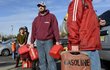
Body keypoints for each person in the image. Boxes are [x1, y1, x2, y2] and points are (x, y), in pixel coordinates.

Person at [67, 0, 106, 70]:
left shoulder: (89, 3)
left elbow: (87, 23)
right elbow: (73, 23)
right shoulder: (78, 1)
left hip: (93, 46)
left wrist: (98, 22)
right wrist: (74, 44)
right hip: (83, 48)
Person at [31, 2, 60, 70]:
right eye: (39, 6)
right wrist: (32, 42)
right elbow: (33, 31)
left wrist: (57, 40)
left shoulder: (51, 16)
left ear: (45, 7)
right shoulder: (36, 19)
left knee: (50, 59)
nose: (40, 7)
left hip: (48, 41)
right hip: (39, 42)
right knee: (41, 60)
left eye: (42, 6)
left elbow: (55, 29)